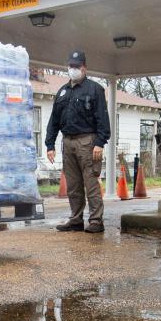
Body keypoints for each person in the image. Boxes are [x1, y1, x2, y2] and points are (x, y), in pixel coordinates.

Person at [45, 50, 110, 233]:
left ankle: (96, 220)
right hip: (68, 142)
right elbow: (54, 121)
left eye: (77, 66)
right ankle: (76, 219)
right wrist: (50, 145)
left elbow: (103, 120)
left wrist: (100, 142)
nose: (73, 69)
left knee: (91, 183)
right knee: (73, 185)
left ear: (84, 68)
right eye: (71, 66)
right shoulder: (62, 92)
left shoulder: (94, 89)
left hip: (87, 141)